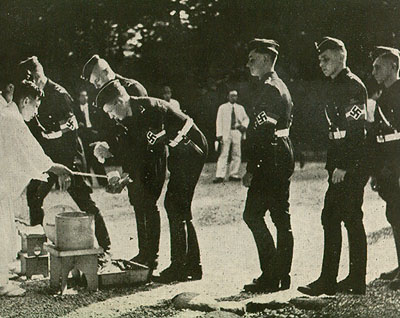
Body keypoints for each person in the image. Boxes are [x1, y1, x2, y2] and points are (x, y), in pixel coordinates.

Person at [95, 79, 208, 283]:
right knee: (179, 207)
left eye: (110, 111)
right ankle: (192, 266)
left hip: (191, 147)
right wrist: (125, 175)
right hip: (178, 150)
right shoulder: (129, 117)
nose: (111, 116)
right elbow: (135, 151)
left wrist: (128, 175)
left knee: (175, 205)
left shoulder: (150, 110)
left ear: (120, 101)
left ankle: (180, 266)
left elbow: (150, 151)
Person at [18, 56, 111, 255]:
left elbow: (71, 135)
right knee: (33, 195)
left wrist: (66, 170)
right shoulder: (32, 94)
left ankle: (106, 245)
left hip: (69, 156)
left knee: (83, 200)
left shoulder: (59, 94)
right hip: (48, 157)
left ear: (35, 74)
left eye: (28, 78)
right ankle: (39, 247)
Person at [298, 37, 369, 296]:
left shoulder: (352, 86)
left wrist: (344, 166)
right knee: (346, 218)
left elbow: (356, 131)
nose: (321, 64)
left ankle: (334, 280)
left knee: (337, 217)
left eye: (325, 59)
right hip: (340, 162)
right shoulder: (335, 85)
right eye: (319, 60)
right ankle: (353, 280)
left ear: (341, 57)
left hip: (349, 164)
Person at [81, 55, 166, 269]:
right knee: (137, 203)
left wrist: (116, 151)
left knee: (148, 203)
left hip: (147, 156)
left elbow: (140, 131)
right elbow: (113, 129)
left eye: (97, 81)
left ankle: (152, 257)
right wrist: (109, 152)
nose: (97, 86)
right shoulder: (106, 95)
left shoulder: (131, 89)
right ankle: (144, 253)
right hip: (132, 158)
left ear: (105, 72)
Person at [0, 79, 71, 297]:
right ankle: (1, 283)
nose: (36, 112)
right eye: (36, 106)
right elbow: (29, 150)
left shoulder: (5, 111)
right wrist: (54, 167)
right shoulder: (9, 117)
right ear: (26, 100)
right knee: (2, 231)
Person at [242, 39, 295, 293]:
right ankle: (280, 274)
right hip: (280, 153)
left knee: (253, 215)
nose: (248, 64)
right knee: (280, 219)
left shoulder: (270, 89)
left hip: (271, 157)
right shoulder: (278, 86)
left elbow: (263, 133)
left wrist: (252, 168)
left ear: (265, 59)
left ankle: (272, 274)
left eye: (253, 59)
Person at [368, 46, 400, 290]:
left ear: (394, 67)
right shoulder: (384, 95)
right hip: (388, 166)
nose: (374, 70)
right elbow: (379, 138)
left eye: (378, 66)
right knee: (394, 214)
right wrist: (376, 170)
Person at [73, 89, 107, 186]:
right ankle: (88, 182)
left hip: (93, 135)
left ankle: (103, 182)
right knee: (85, 160)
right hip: (82, 136)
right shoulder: (75, 110)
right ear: (79, 98)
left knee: (97, 158)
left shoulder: (93, 108)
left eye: (86, 95)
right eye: (82, 96)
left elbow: (99, 121)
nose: (84, 98)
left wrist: (97, 132)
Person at [214, 90, 249, 183]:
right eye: (232, 96)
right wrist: (219, 134)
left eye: (235, 96)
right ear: (228, 97)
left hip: (236, 132)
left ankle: (233, 174)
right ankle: (220, 175)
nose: (234, 97)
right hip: (226, 132)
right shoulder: (222, 107)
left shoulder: (240, 108)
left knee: (236, 153)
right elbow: (219, 121)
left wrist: (243, 126)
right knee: (223, 153)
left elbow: (246, 118)